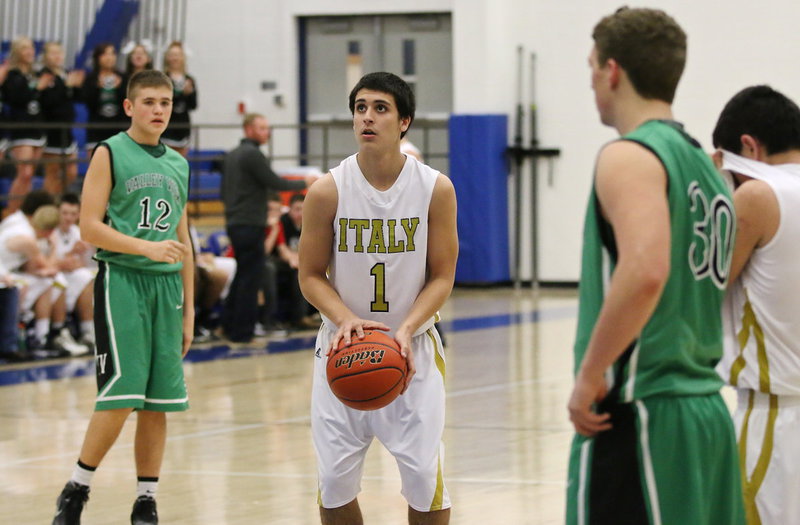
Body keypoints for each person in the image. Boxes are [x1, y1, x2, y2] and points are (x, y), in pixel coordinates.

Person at [565, 8, 745, 525]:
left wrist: (590, 375)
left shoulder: (629, 156)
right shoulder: (708, 171)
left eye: (592, 66)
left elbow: (645, 270)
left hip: (641, 413)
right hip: (706, 411)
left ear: (613, 71)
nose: (592, 80)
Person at [299, 71, 458, 525]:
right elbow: (309, 276)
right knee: (333, 486)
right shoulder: (327, 190)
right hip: (343, 349)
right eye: (361, 108)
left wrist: (406, 330)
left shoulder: (434, 189)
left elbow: (443, 275)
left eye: (381, 108)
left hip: (414, 350)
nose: (368, 117)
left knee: (426, 483)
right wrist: (346, 318)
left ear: (404, 121)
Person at [51, 69, 194, 525]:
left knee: (157, 401)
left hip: (168, 288)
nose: (158, 110)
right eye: (149, 102)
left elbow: (185, 240)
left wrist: (191, 310)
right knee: (120, 394)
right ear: (129, 106)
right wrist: (146, 247)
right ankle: (76, 489)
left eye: (166, 103)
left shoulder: (179, 163)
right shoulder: (110, 152)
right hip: (123, 281)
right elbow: (89, 227)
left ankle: (146, 499)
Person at [711, 85, 800, 525]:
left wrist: (710, 186)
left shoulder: (759, 196)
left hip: (775, 415)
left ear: (748, 146)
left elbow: (702, 284)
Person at [220, 112, 315, 343]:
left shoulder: (232, 155)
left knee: (243, 274)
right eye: (262, 128)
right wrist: (306, 183)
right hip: (250, 223)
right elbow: (274, 182)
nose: (267, 133)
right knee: (250, 278)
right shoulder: (252, 154)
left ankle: (228, 326)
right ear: (249, 129)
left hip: (234, 222)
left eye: (267, 128)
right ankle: (242, 332)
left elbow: (224, 191)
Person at [1, 37, 50, 215]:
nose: (30, 52)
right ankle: (11, 212)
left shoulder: (33, 73)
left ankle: (21, 212)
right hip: (20, 127)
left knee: (30, 175)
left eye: (30, 48)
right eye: (24, 49)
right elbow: (16, 98)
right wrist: (38, 88)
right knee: (25, 173)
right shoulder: (13, 75)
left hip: (36, 126)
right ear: (17, 52)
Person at [50, 192, 96, 349]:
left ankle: (87, 330)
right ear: (57, 212)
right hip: (51, 275)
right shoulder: (50, 230)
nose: (68, 218)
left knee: (85, 276)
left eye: (73, 214)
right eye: (64, 213)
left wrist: (72, 259)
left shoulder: (76, 231)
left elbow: (79, 264)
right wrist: (70, 255)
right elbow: (48, 263)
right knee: (61, 280)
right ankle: (58, 331)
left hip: (67, 273)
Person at [40, 42, 85, 195]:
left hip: (67, 128)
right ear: (46, 56)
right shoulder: (44, 75)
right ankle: (48, 203)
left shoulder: (66, 73)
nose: (57, 56)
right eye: (53, 53)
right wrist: (66, 86)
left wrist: (77, 86)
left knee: (71, 171)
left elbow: (75, 98)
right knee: (52, 172)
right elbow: (48, 101)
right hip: (52, 128)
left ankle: (57, 199)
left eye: (59, 52)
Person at [277, 193, 317, 329]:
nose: (300, 213)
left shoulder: (311, 222)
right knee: (299, 274)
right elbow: (281, 249)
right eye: (296, 209)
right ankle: (299, 317)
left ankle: (316, 313)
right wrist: (293, 259)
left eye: (303, 209)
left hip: (300, 261)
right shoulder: (283, 221)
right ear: (289, 209)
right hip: (280, 261)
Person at [82, 43, 127, 151]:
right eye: (105, 54)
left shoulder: (123, 77)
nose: (109, 58)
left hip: (118, 130)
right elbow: (88, 104)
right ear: (97, 58)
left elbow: (128, 104)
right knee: (96, 166)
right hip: (96, 129)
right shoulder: (91, 78)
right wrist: (97, 88)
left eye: (112, 54)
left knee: (118, 166)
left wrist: (119, 88)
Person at [161, 41, 197, 157]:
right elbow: (163, 103)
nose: (175, 58)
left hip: (183, 127)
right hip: (166, 128)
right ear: (167, 58)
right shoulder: (162, 78)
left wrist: (189, 94)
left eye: (178, 55)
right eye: (172, 55)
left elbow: (193, 105)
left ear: (183, 57)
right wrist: (181, 94)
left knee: (180, 164)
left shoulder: (189, 79)